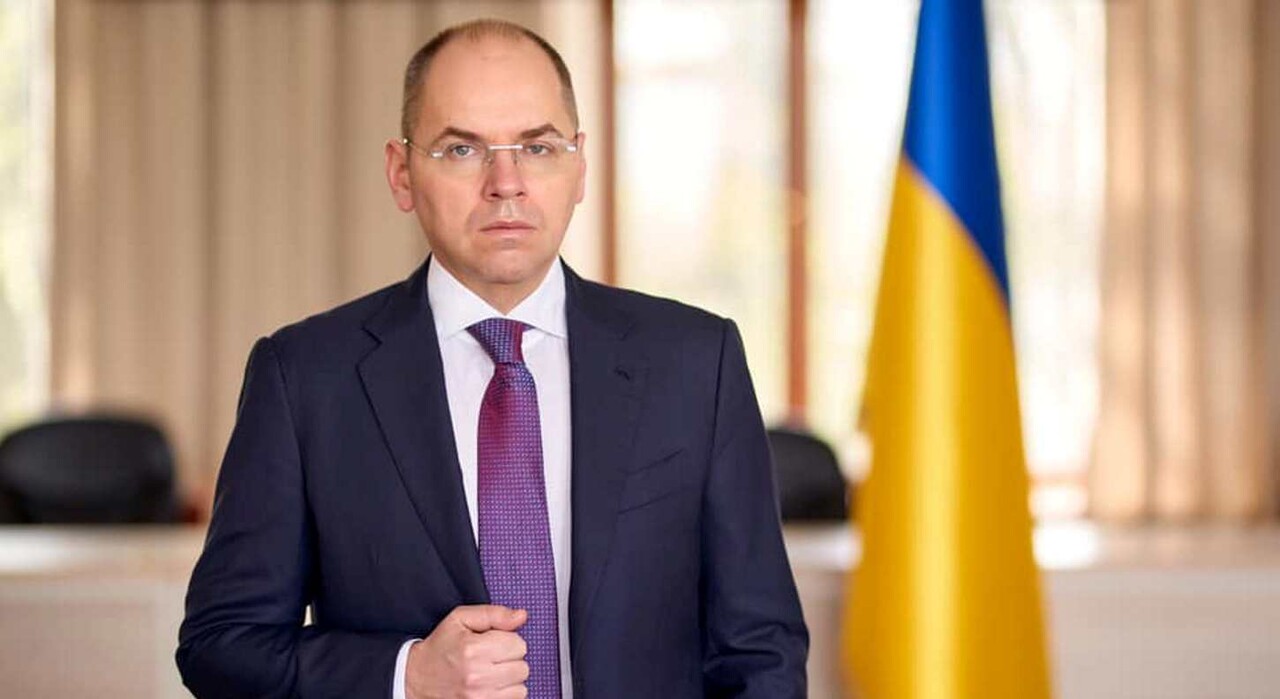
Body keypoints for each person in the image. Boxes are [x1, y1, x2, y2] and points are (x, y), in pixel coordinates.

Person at [176, 19, 807, 699]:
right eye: (461, 149)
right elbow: (221, 646)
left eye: (538, 146)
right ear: (401, 173)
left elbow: (760, 649)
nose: (506, 183)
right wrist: (407, 673)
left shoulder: (697, 363)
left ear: (579, 165)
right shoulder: (304, 377)